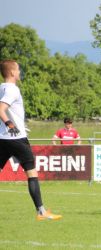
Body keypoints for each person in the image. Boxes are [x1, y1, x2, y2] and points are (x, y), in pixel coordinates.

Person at [0, 59, 62, 220]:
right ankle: (41, 212)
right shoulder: (12, 89)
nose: (20, 72)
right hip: (16, 138)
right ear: (12, 72)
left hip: (2, 139)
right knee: (32, 173)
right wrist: (10, 124)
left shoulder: (1, 88)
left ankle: (41, 211)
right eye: (18, 70)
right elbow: (1, 109)